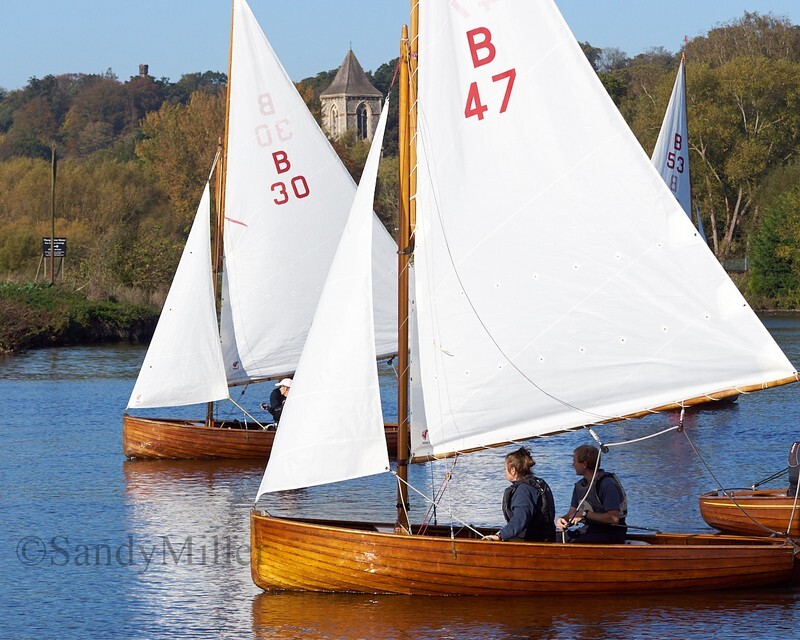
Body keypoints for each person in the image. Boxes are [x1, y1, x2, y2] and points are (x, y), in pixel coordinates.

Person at [556, 444, 628, 544]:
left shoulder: (607, 484)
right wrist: (563, 520)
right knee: (553, 538)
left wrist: (584, 514)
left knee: (578, 543)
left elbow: (613, 518)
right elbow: (572, 513)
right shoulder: (579, 486)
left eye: (574, 461)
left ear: (584, 464)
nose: (572, 465)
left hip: (611, 532)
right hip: (589, 529)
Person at [483, 446, 556, 542]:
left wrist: (500, 535)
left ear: (513, 470)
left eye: (505, 469)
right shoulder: (538, 484)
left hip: (532, 541)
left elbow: (520, 518)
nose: (504, 472)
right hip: (545, 538)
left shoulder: (523, 491)